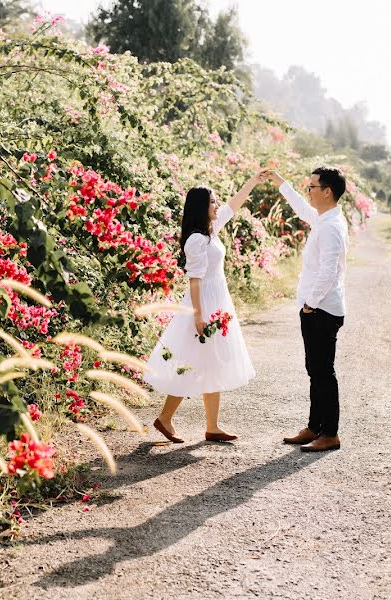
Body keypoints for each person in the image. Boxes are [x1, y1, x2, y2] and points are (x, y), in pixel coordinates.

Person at [145, 176, 262, 444]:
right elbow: (194, 279)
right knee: (192, 361)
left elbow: (233, 205)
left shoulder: (210, 231)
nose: (216, 204)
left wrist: (252, 182)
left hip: (217, 299)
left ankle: (212, 426)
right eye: (211, 201)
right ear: (201, 206)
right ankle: (166, 418)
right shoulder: (197, 240)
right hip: (203, 304)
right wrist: (198, 314)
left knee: (212, 360)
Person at [262, 166, 348, 452]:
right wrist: (279, 181)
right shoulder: (324, 218)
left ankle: (330, 433)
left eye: (312, 186)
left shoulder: (332, 226)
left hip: (322, 310)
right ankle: (314, 427)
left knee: (324, 372)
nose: (308, 190)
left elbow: (329, 272)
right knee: (315, 370)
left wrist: (311, 303)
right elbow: (300, 207)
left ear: (327, 191)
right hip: (315, 307)